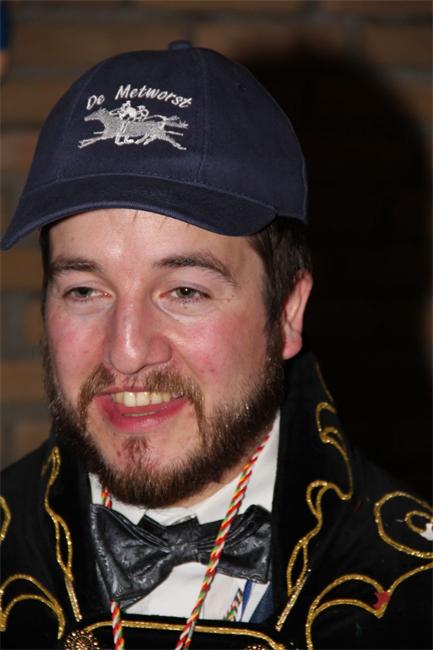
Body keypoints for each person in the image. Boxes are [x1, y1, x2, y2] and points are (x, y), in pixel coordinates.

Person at [0, 42, 431, 650]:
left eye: (184, 291)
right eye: (85, 290)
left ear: (288, 312)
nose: (126, 352)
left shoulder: (413, 591)